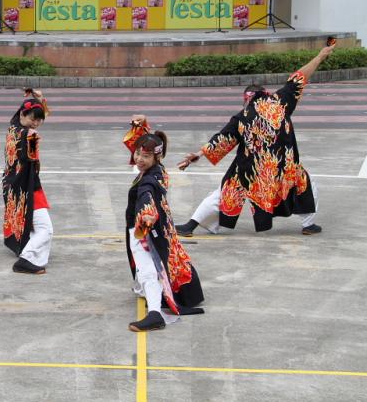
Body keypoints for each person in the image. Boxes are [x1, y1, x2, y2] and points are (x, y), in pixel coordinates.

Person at [175, 43, 335, 237]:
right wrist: (320, 56)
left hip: (248, 171)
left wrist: (198, 155)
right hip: (283, 168)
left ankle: (190, 226)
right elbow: (299, 77)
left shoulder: (241, 116)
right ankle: (309, 225)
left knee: (222, 193)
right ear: (264, 94)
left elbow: (221, 139)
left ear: (246, 99)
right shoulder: (280, 101)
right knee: (307, 186)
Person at [123, 116, 204, 332]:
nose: (138, 158)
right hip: (161, 226)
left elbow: (146, 197)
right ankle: (147, 291)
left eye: (145, 156)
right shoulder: (157, 168)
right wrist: (143, 125)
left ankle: (155, 314)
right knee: (152, 266)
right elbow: (142, 143)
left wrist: (147, 217)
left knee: (149, 269)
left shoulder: (149, 180)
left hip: (146, 228)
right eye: (138, 153)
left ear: (156, 156)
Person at [2, 89, 53, 274]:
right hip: (26, 185)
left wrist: (39, 100)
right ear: (23, 114)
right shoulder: (29, 134)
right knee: (45, 228)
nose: (36, 123)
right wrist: (33, 139)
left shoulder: (13, 126)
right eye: (33, 119)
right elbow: (31, 157)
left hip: (12, 183)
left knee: (30, 224)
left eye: (39, 120)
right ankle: (26, 259)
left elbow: (36, 116)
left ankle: (29, 253)